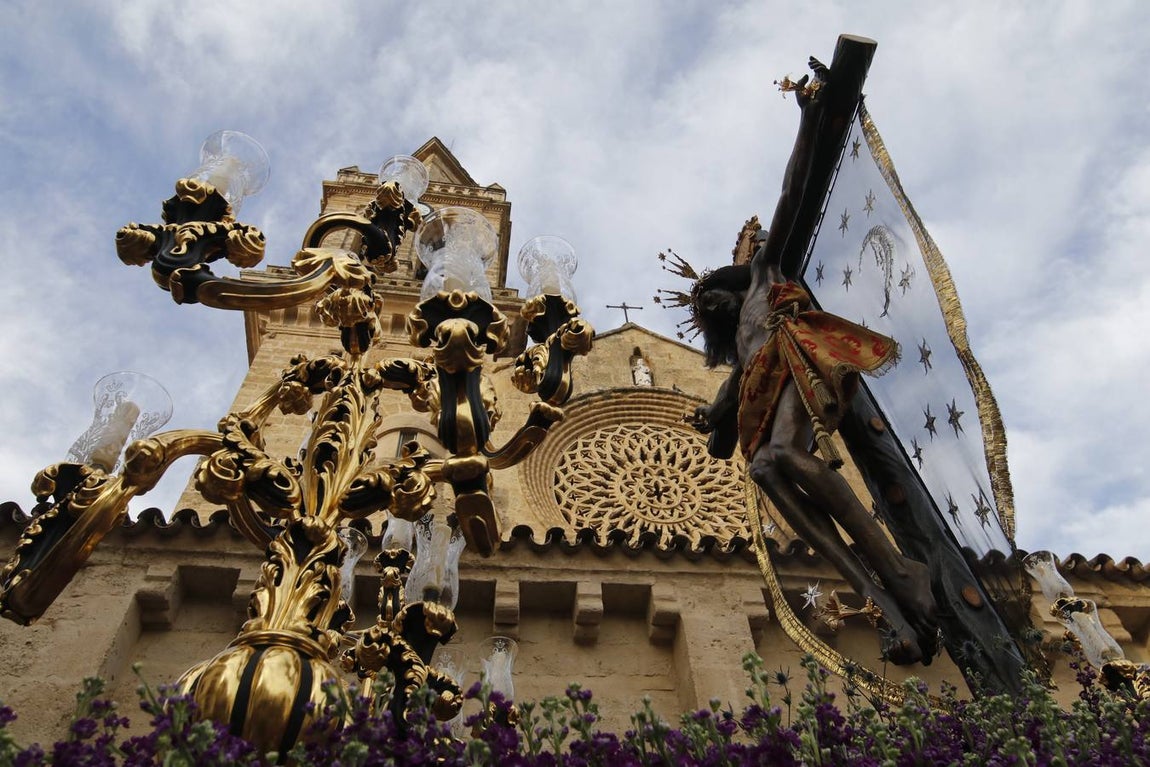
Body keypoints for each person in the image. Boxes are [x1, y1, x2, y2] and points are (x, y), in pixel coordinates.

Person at [689, 61, 938, 665]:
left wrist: (807, 121)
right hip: (766, 385)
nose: (709, 301)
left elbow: (792, 195)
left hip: (799, 360)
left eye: (712, 290)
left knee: (786, 454)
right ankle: (877, 592)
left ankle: (898, 569)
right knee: (765, 467)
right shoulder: (741, 363)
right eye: (702, 306)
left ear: (733, 283)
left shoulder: (764, 279)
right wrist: (709, 418)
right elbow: (722, 441)